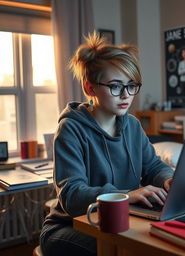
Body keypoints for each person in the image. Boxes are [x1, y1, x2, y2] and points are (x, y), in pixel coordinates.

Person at [39, 32, 174, 256]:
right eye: (115, 86)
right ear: (90, 88)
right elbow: (72, 196)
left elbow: (153, 167)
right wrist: (125, 195)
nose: (125, 95)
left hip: (121, 219)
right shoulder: (71, 129)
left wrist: (168, 179)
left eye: (131, 85)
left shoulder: (132, 125)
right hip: (68, 227)